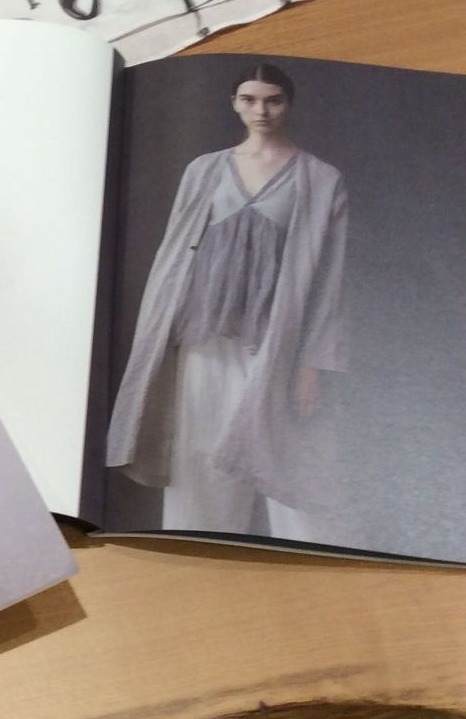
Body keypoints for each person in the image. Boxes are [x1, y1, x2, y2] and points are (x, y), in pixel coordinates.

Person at [105, 63, 348, 538]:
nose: (261, 111)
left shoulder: (321, 178)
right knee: (197, 461)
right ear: (234, 103)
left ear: (288, 104)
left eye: (273, 100)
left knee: (288, 469)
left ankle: (313, 560)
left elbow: (328, 281)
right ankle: (197, 548)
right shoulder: (204, 169)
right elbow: (174, 253)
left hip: (275, 345)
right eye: (250, 99)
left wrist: (311, 364)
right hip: (203, 337)